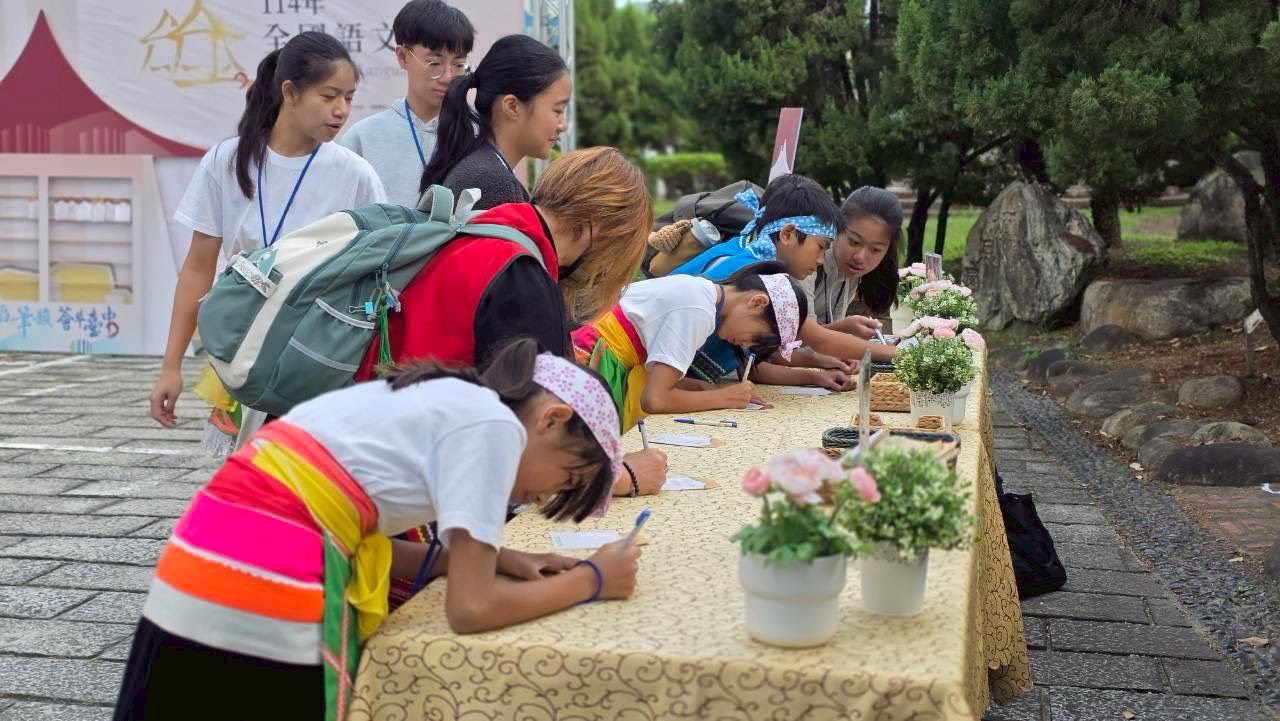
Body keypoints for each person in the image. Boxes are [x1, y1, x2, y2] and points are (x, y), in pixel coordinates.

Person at [114, 339, 640, 721]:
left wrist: (504, 560)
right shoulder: (495, 428)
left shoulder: (444, 397)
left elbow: (343, 536)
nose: (543, 496)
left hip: (202, 561)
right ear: (551, 419)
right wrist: (592, 580)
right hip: (262, 586)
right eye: (563, 479)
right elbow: (471, 610)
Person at [149, 33, 386, 455]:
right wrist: (171, 367)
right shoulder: (227, 161)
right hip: (242, 346)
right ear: (289, 92)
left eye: (349, 97)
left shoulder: (355, 173)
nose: (342, 111)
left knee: (313, 477)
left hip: (318, 353)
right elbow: (198, 267)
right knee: (246, 480)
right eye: (329, 96)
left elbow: (376, 274)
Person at [671, 175, 895, 390]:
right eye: (821, 247)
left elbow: (756, 366)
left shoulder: (755, 259)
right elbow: (818, 339)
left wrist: (817, 375)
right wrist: (897, 354)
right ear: (788, 234)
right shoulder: (758, 277)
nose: (819, 260)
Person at [572, 262, 808, 433]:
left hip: (594, 351)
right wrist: (724, 397)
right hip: (595, 362)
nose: (747, 345)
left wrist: (702, 388)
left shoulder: (699, 291)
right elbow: (655, 399)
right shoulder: (699, 310)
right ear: (757, 302)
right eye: (757, 337)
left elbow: (658, 374)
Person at [339, 0, 475, 206]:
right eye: (434, 63)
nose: (448, 76)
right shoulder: (363, 138)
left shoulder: (477, 134)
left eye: (458, 65)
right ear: (403, 57)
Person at [419, 34, 570, 210]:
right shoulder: (491, 185)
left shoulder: (482, 170)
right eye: (558, 111)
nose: (563, 125)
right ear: (512, 106)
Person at [802, 186, 902, 332]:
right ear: (837, 226)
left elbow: (828, 340)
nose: (859, 257)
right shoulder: (807, 261)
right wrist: (844, 329)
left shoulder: (850, 273)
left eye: (875, 250)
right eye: (854, 242)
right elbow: (803, 336)